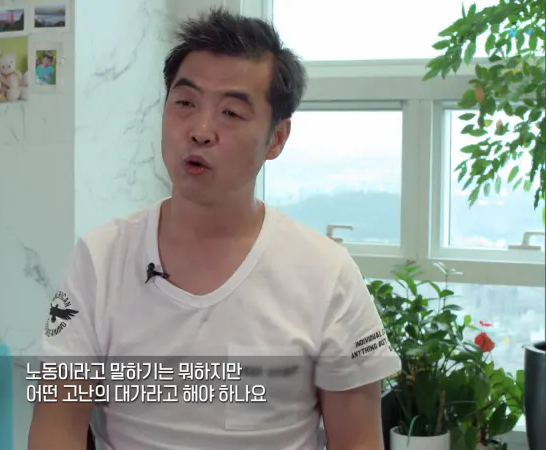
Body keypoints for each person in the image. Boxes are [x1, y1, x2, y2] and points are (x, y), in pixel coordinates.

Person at [29, 7, 400, 450]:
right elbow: (56, 429)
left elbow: (358, 442)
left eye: (231, 113)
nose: (200, 131)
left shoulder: (326, 274)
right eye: (185, 104)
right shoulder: (100, 258)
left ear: (277, 139)